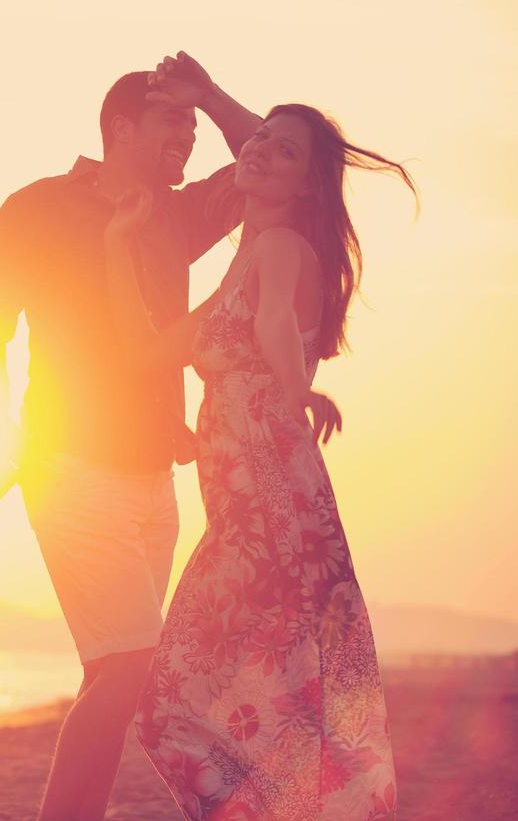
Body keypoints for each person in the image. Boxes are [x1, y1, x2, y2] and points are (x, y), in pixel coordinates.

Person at [0, 54, 261, 820]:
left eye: (193, 126)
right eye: (172, 121)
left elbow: (279, 163)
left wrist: (211, 95)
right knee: (132, 668)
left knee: (114, 679)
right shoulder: (36, 207)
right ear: (120, 127)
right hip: (66, 467)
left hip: (154, 480)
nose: (189, 136)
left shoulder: (178, 214)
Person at [105, 104, 409, 819]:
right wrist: (118, 245)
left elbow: (275, 320)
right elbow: (143, 352)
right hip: (247, 513)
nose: (263, 149)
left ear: (305, 186)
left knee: (177, 693)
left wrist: (298, 389)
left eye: (285, 151)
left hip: (269, 502)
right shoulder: (240, 265)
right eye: (261, 137)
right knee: (257, 690)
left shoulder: (279, 248)